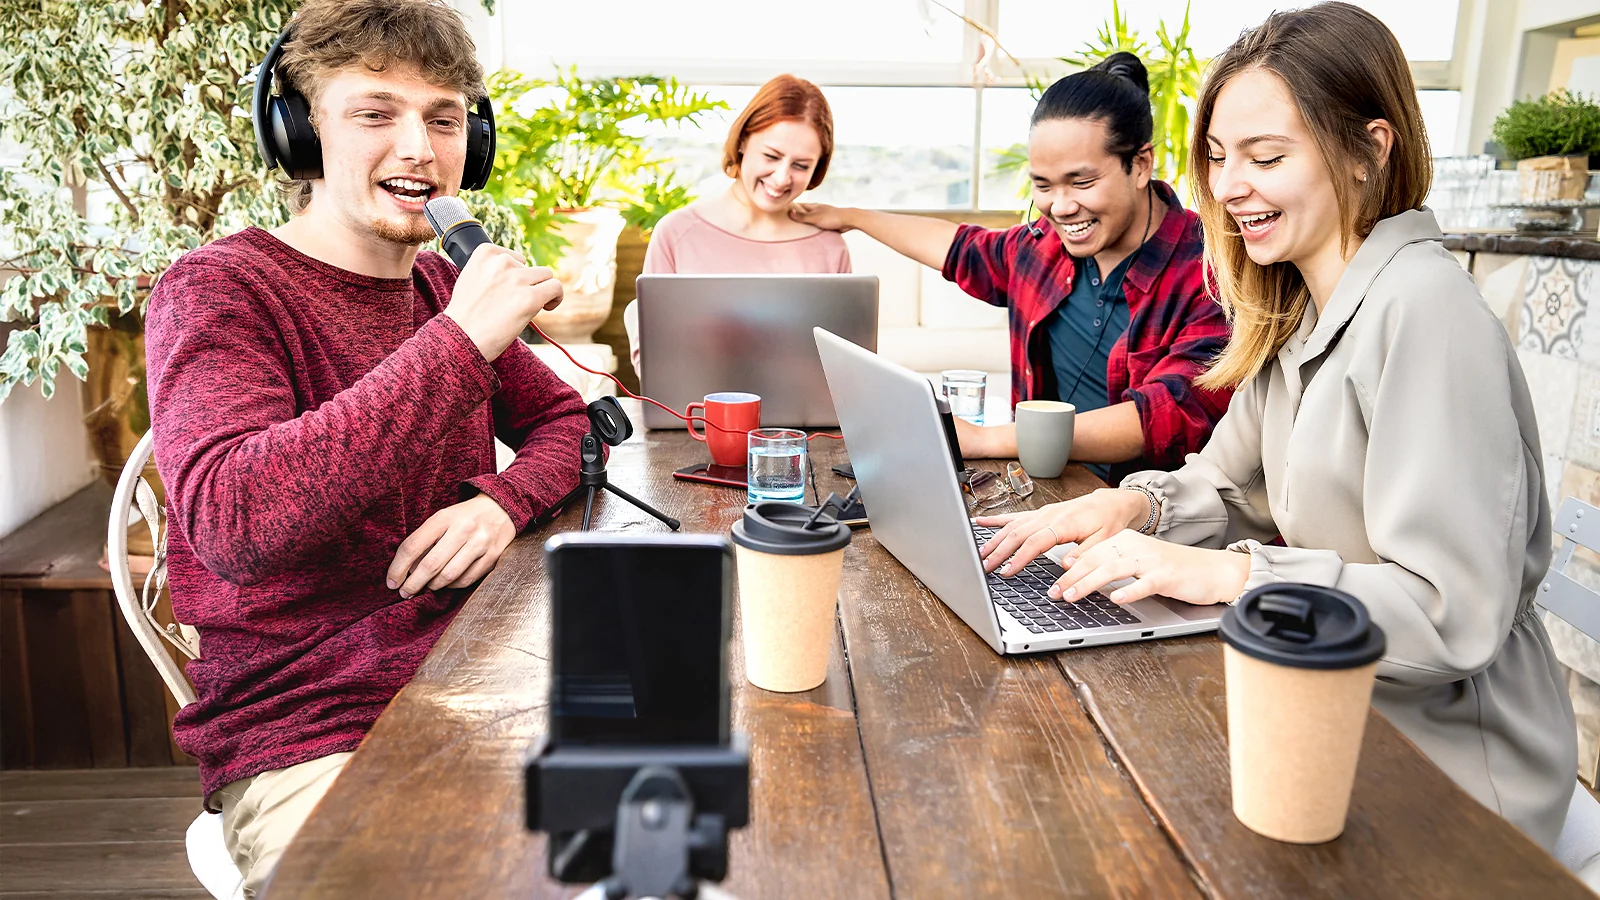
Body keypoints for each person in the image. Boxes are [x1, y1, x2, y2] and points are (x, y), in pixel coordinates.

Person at [975, 2, 1576, 850]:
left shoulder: (1427, 312)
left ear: (1369, 150)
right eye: (1220, 158)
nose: (1227, 188)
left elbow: (1450, 616)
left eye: (1266, 157)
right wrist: (1129, 509)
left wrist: (1233, 574)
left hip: (1450, 770)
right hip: (1321, 706)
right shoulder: (1298, 309)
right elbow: (1226, 483)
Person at [142, 1, 589, 893]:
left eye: (445, 119)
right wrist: (459, 346)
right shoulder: (219, 290)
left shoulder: (440, 286)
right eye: (375, 113)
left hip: (486, 674)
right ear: (301, 134)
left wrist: (501, 504)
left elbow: (567, 424)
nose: (419, 148)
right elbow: (237, 522)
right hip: (314, 725)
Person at [792, 54, 1231, 482]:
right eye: (1043, 185)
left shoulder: (1213, 270)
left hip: (1145, 508)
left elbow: (1170, 414)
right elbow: (959, 248)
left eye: (1081, 182)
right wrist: (852, 217)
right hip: (1042, 487)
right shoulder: (1042, 247)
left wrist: (986, 439)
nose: (1060, 207)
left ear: (1140, 165)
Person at [624, 74, 849, 374]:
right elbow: (654, 368)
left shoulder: (829, 247)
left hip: (805, 406)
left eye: (801, 165)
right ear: (742, 141)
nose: (782, 178)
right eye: (771, 156)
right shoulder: (676, 233)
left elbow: (844, 367)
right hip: (698, 404)